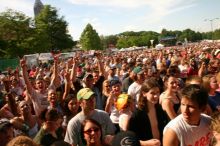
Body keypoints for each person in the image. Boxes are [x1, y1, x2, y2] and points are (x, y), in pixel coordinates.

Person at [128, 78, 167, 146]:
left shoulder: (159, 109)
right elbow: (131, 139)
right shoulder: (137, 114)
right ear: (144, 94)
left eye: (158, 92)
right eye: (152, 93)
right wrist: (146, 143)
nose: (156, 96)